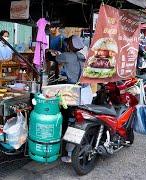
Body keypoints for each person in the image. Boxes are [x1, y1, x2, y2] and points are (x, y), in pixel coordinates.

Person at [55, 35, 93, 163]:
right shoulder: (84, 56)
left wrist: (52, 53)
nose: (67, 45)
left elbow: (54, 58)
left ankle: (71, 154)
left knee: (73, 122)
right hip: (87, 92)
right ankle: (83, 146)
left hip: (76, 93)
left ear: (71, 45)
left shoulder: (67, 55)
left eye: (68, 43)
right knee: (83, 121)